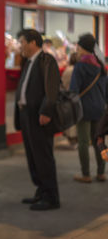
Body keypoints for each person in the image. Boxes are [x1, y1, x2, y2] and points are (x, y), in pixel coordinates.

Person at [14, 29, 61, 211]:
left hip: (40, 117)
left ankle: (51, 197)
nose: (21, 46)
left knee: (43, 156)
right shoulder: (29, 62)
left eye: (22, 42)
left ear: (33, 42)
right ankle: (41, 191)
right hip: (27, 116)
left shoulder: (46, 60)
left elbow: (51, 89)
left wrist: (46, 112)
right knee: (33, 156)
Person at [70, 33, 107, 183]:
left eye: (78, 46)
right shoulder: (101, 67)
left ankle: (86, 174)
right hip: (100, 109)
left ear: (82, 47)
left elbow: (74, 90)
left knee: (84, 142)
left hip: (83, 109)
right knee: (99, 140)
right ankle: (101, 173)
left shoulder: (80, 67)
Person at [61, 53, 78, 145]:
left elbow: (63, 84)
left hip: (68, 98)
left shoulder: (68, 70)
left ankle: (72, 139)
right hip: (77, 98)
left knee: (70, 120)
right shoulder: (79, 70)